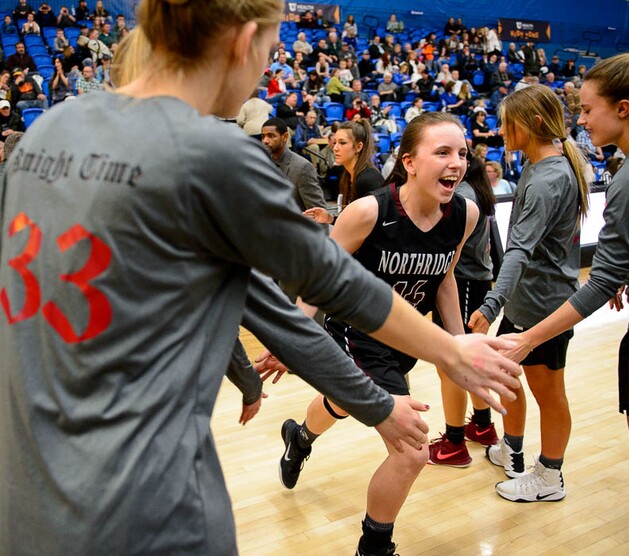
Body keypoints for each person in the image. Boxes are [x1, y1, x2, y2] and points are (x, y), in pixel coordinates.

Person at [0, 2, 522, 555]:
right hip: (145, 506)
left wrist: (267, 381)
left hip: (22, 486)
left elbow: (250, 299)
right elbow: (334, 283)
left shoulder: (47, 130)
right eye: (270, 49)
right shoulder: (215, 155)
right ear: (244, 40)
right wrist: (451, 352)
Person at [500, 43, 629, 555]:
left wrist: (526, 338)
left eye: (588, 110)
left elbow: (601, 282)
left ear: (624, 108)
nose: (581, 121)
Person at [279, 112, 481, 556]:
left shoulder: (465, 214)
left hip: (405, 341)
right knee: (412, 449)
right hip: (355, 333)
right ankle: (374, 547)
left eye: (462, 153)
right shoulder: (370, 210)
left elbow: (444, 277)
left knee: (347, 402)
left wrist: (458, 345)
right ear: (409, 162)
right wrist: (288, 335)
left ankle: (300, 436)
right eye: (442, 152)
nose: (456, 163)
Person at [469, 84, 590, 504]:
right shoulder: (543, 169)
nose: (501, 130)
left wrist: (489, 303)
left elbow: (518, 252)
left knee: (548, 392)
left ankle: (550, 475)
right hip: (529, 299)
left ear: (533, 124)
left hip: (543, 306)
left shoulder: (548, 178)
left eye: (508, 123)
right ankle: (513, 451)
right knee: (509, 378)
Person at [428, 151, 501, 467]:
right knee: (464, 361)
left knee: (451, 364)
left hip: (463, 283)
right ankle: (482, 426)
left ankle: (454, 443)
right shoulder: (473, 191)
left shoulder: (460, 198)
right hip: (475, 280)